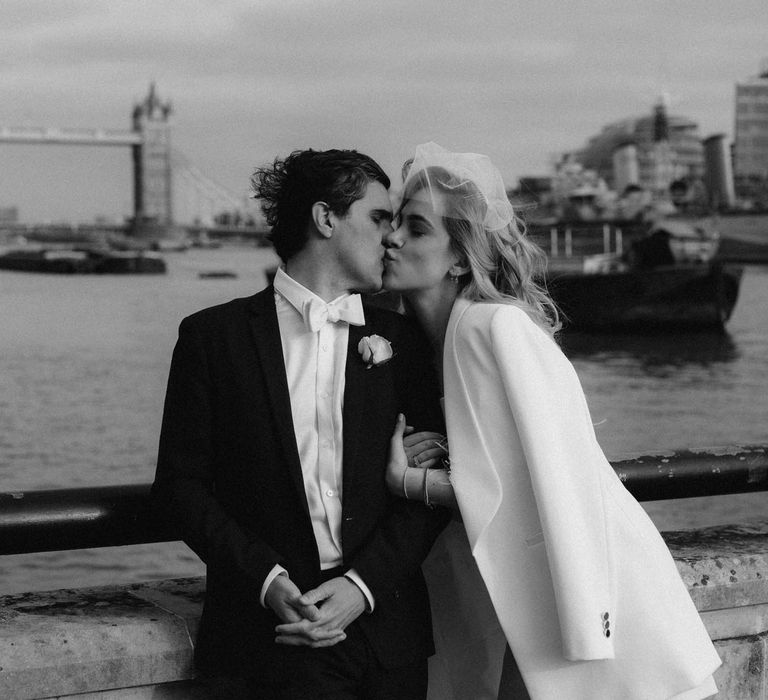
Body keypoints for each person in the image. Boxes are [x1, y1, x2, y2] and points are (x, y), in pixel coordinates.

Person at [382, 142, 722, 700]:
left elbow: (562, 474)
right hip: (533, 601)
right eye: (395, 223)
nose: (393, 238)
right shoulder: (434, 343)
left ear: (461, 256)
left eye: (416, 228)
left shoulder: (496, 328)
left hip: (586, 594)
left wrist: (413, 481)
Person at [152, 148, 449, 699]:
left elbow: (431, 485)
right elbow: (180, 489)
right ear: (326, 218)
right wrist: (268, 582)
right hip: (270, 640)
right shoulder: (212, 339)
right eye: (379, 217)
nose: (390, 237)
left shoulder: (402, 342)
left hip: (387, 637)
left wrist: (362, 587)